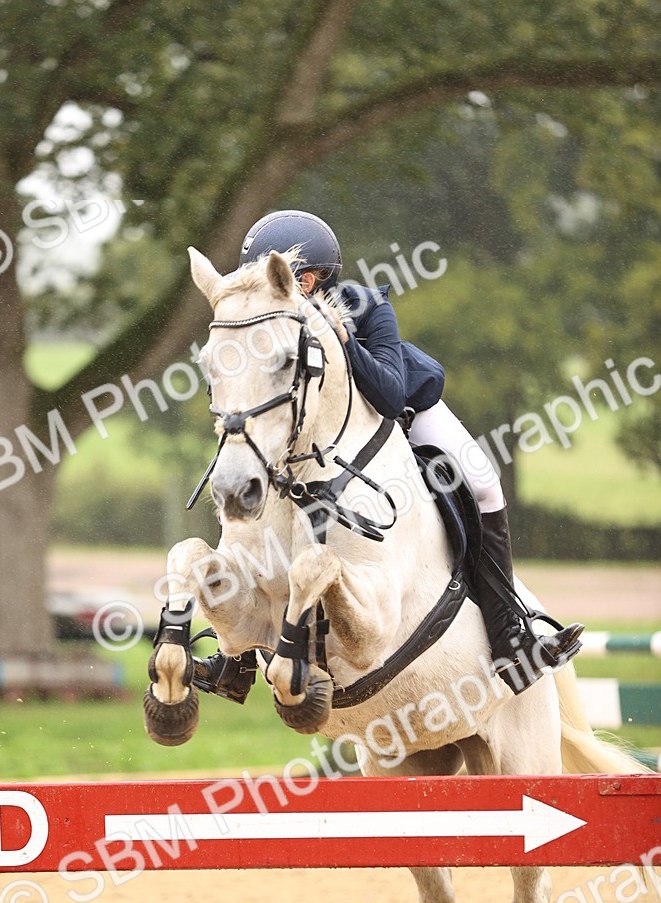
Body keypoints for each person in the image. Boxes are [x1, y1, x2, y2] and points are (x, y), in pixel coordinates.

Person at [195, 209, 583, 700]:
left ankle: (511, 631)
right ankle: (237, 656)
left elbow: (390, 394)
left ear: (311, 280)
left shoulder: (364, 306)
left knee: (483, 479)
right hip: (322, 433)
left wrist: (343, 338)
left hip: (405, 408)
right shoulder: (267, 324)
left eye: (282, 281)